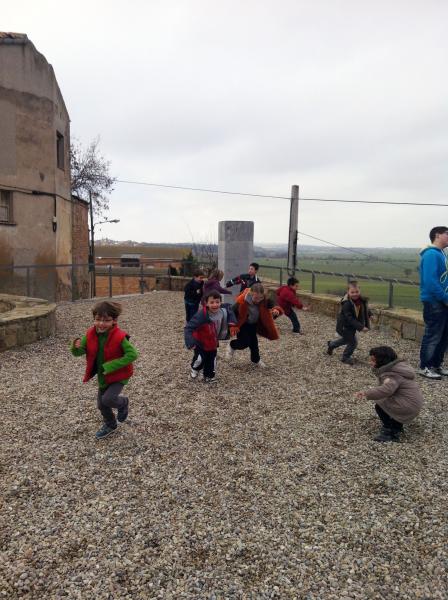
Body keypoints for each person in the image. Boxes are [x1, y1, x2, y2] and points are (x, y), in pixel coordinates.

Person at [71, 301, 138, 440]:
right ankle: (110, 425)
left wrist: (111, 366)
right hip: (103, 376)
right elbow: (79, 353)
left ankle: (123, 403)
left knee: (108, 399)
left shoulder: (120, 336)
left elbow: (132, 355)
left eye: (106, 320)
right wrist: (75, 347)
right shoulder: (90, 333)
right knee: (101, 404)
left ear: (114, 321)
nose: (101, 324)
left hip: (119, 375)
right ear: (94, 319)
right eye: (98, 320)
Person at [355, 346, 423, 443]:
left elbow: (386, 390)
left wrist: (366, 393)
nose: (371, 363)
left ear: (382, 361)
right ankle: (397, 426)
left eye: (373, 361)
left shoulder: (391, 375)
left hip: (407, 406)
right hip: (413, 404)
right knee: (390, 402)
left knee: (380, 405)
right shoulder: (399, 367)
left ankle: (391, 431)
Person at [184, 290, 238, 383]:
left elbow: (230, 310)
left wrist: (232, 324)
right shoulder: (201, 315)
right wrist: (190, 342)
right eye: (212, 302)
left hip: (213, 342)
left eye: (217, 302)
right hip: (200, 342)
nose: (215, 305)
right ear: (206, 303)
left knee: (212, 360)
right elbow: (188, 328)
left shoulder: (223, 311)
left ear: (221, 302)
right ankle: (194, 369)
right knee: (200, 359)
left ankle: (209, 376)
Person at [226, 283, 283, 367]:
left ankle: (256, 360)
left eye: (260, 298)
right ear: (251, 294)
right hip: (243, 324)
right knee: (244, 342)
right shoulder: (242, 301)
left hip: (254, 325)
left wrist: (276, 310)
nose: (258, 300)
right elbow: (231, 311)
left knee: (254, 344)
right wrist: (231, 325)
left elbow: (274, 304)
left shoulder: (264, 300)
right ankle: (232, 345)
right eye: (256, 298)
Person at [418, 226, 448, 380]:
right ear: (437, 235)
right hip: (435, 302)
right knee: (433, 336)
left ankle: (436, 364)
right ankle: (424, 367)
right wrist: (445, 298)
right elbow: (430, 281)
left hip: (442, 301)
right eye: (447, 233)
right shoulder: (431, 254)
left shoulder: (441, 254)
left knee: (443, 336)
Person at [327, 281, 371, 365]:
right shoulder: (347, 304)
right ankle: (345, 357)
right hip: (344, 326)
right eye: (352, 292)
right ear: (348, 292)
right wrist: (361, 327)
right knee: (353, 342)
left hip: (351, 327)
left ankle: (332, 344)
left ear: (360, 291)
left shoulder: (360, 300)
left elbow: (364, 308)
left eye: (357, 292)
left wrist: (370, 314)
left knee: (346, 340)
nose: (355, 294)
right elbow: (349, 318)